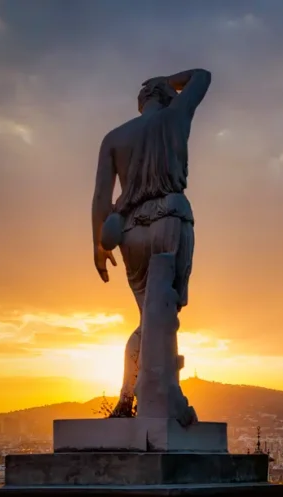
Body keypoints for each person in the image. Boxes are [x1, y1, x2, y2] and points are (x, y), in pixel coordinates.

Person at [90, 68, 211, 422]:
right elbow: (202, 76)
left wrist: (98, 247)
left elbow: (101, 197)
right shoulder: (176, 117)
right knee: (164, 315)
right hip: (171, 216)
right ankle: (161, 395)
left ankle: (130, 395)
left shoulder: (115, 138)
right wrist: (168, 80)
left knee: (149, 317)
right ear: (164, 95)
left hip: (130, 232)